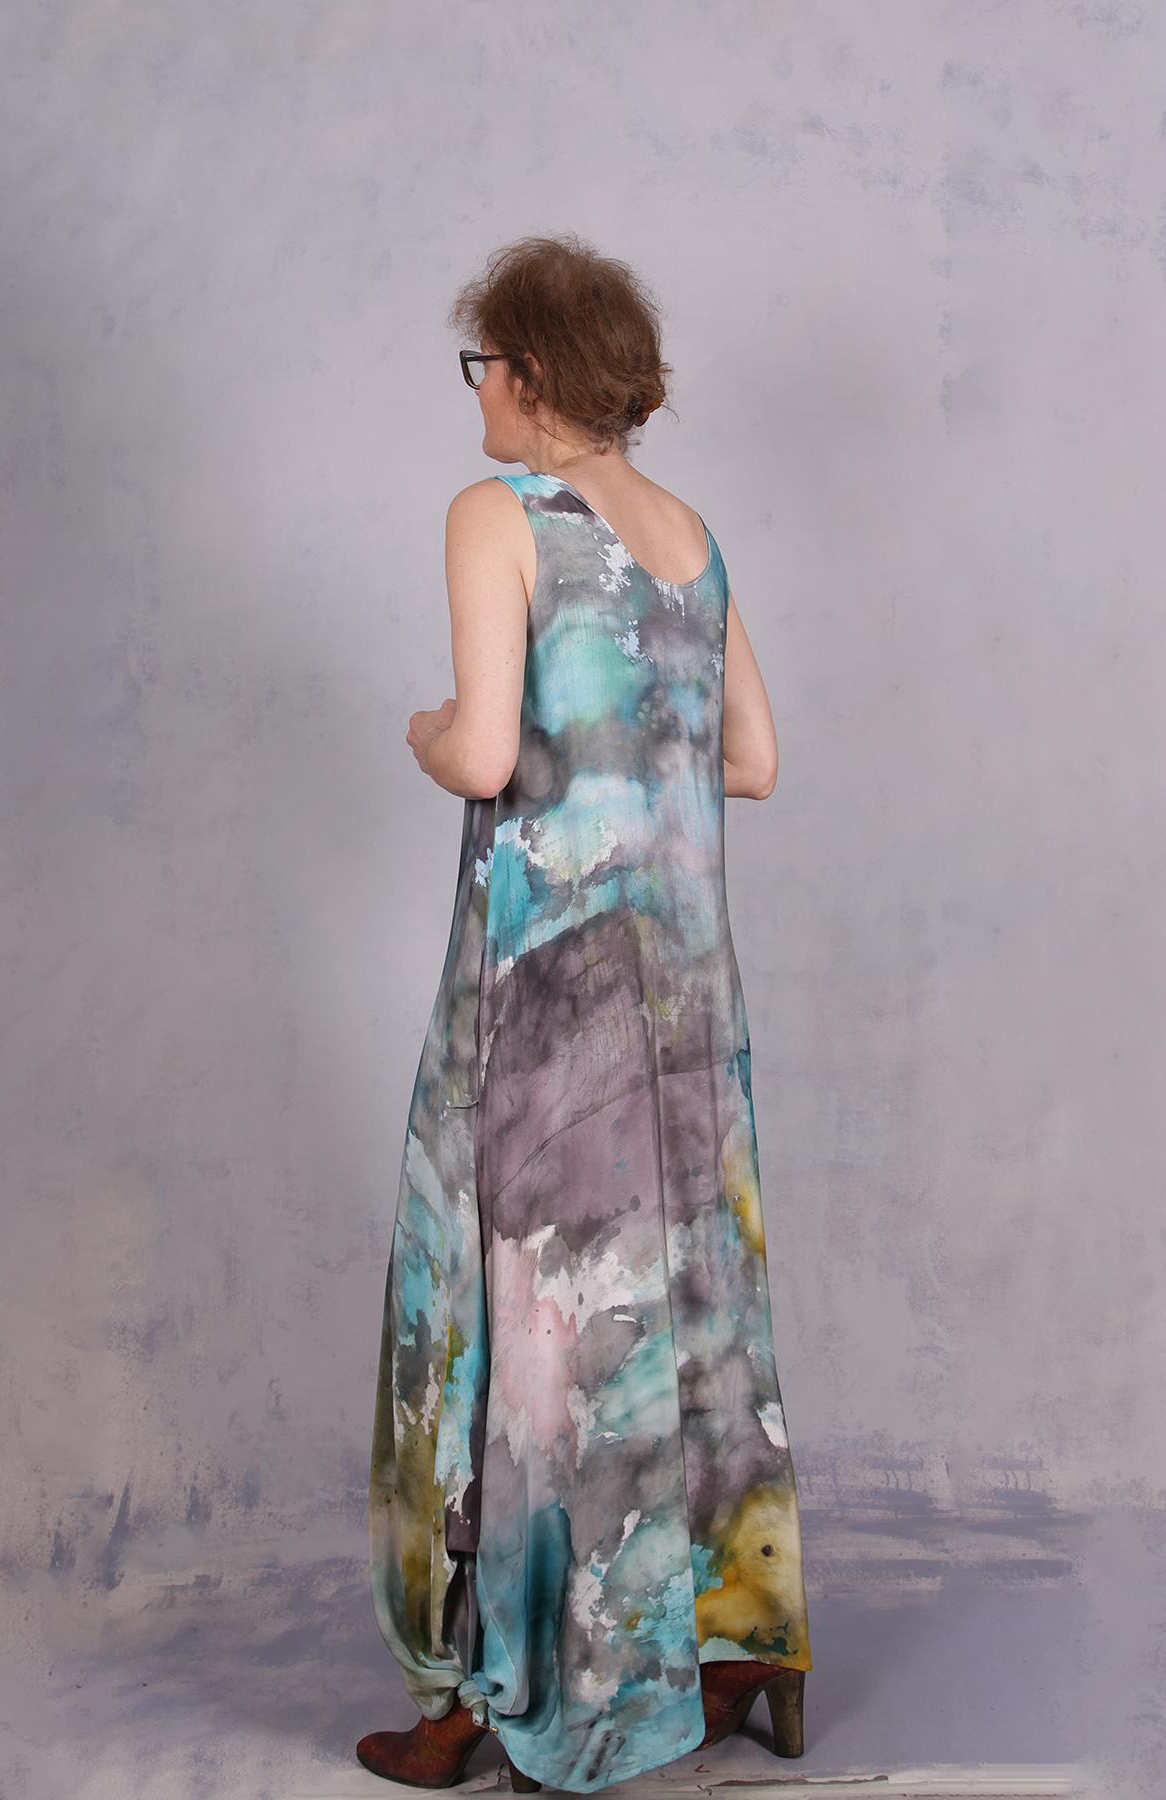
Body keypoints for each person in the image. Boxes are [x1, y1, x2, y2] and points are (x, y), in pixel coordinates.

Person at [358, 235, 812, 1796]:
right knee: (688, 1306)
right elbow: (753, 761)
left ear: (532, 373)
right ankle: (739, 1649)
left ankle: (501, 1690)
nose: (475, 391)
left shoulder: (498, 516)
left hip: (548, 1004)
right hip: (683, 999)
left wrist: (425, 730)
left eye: (482, 364)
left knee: (527, 1321)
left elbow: (487, 756)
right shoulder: (687, 534)